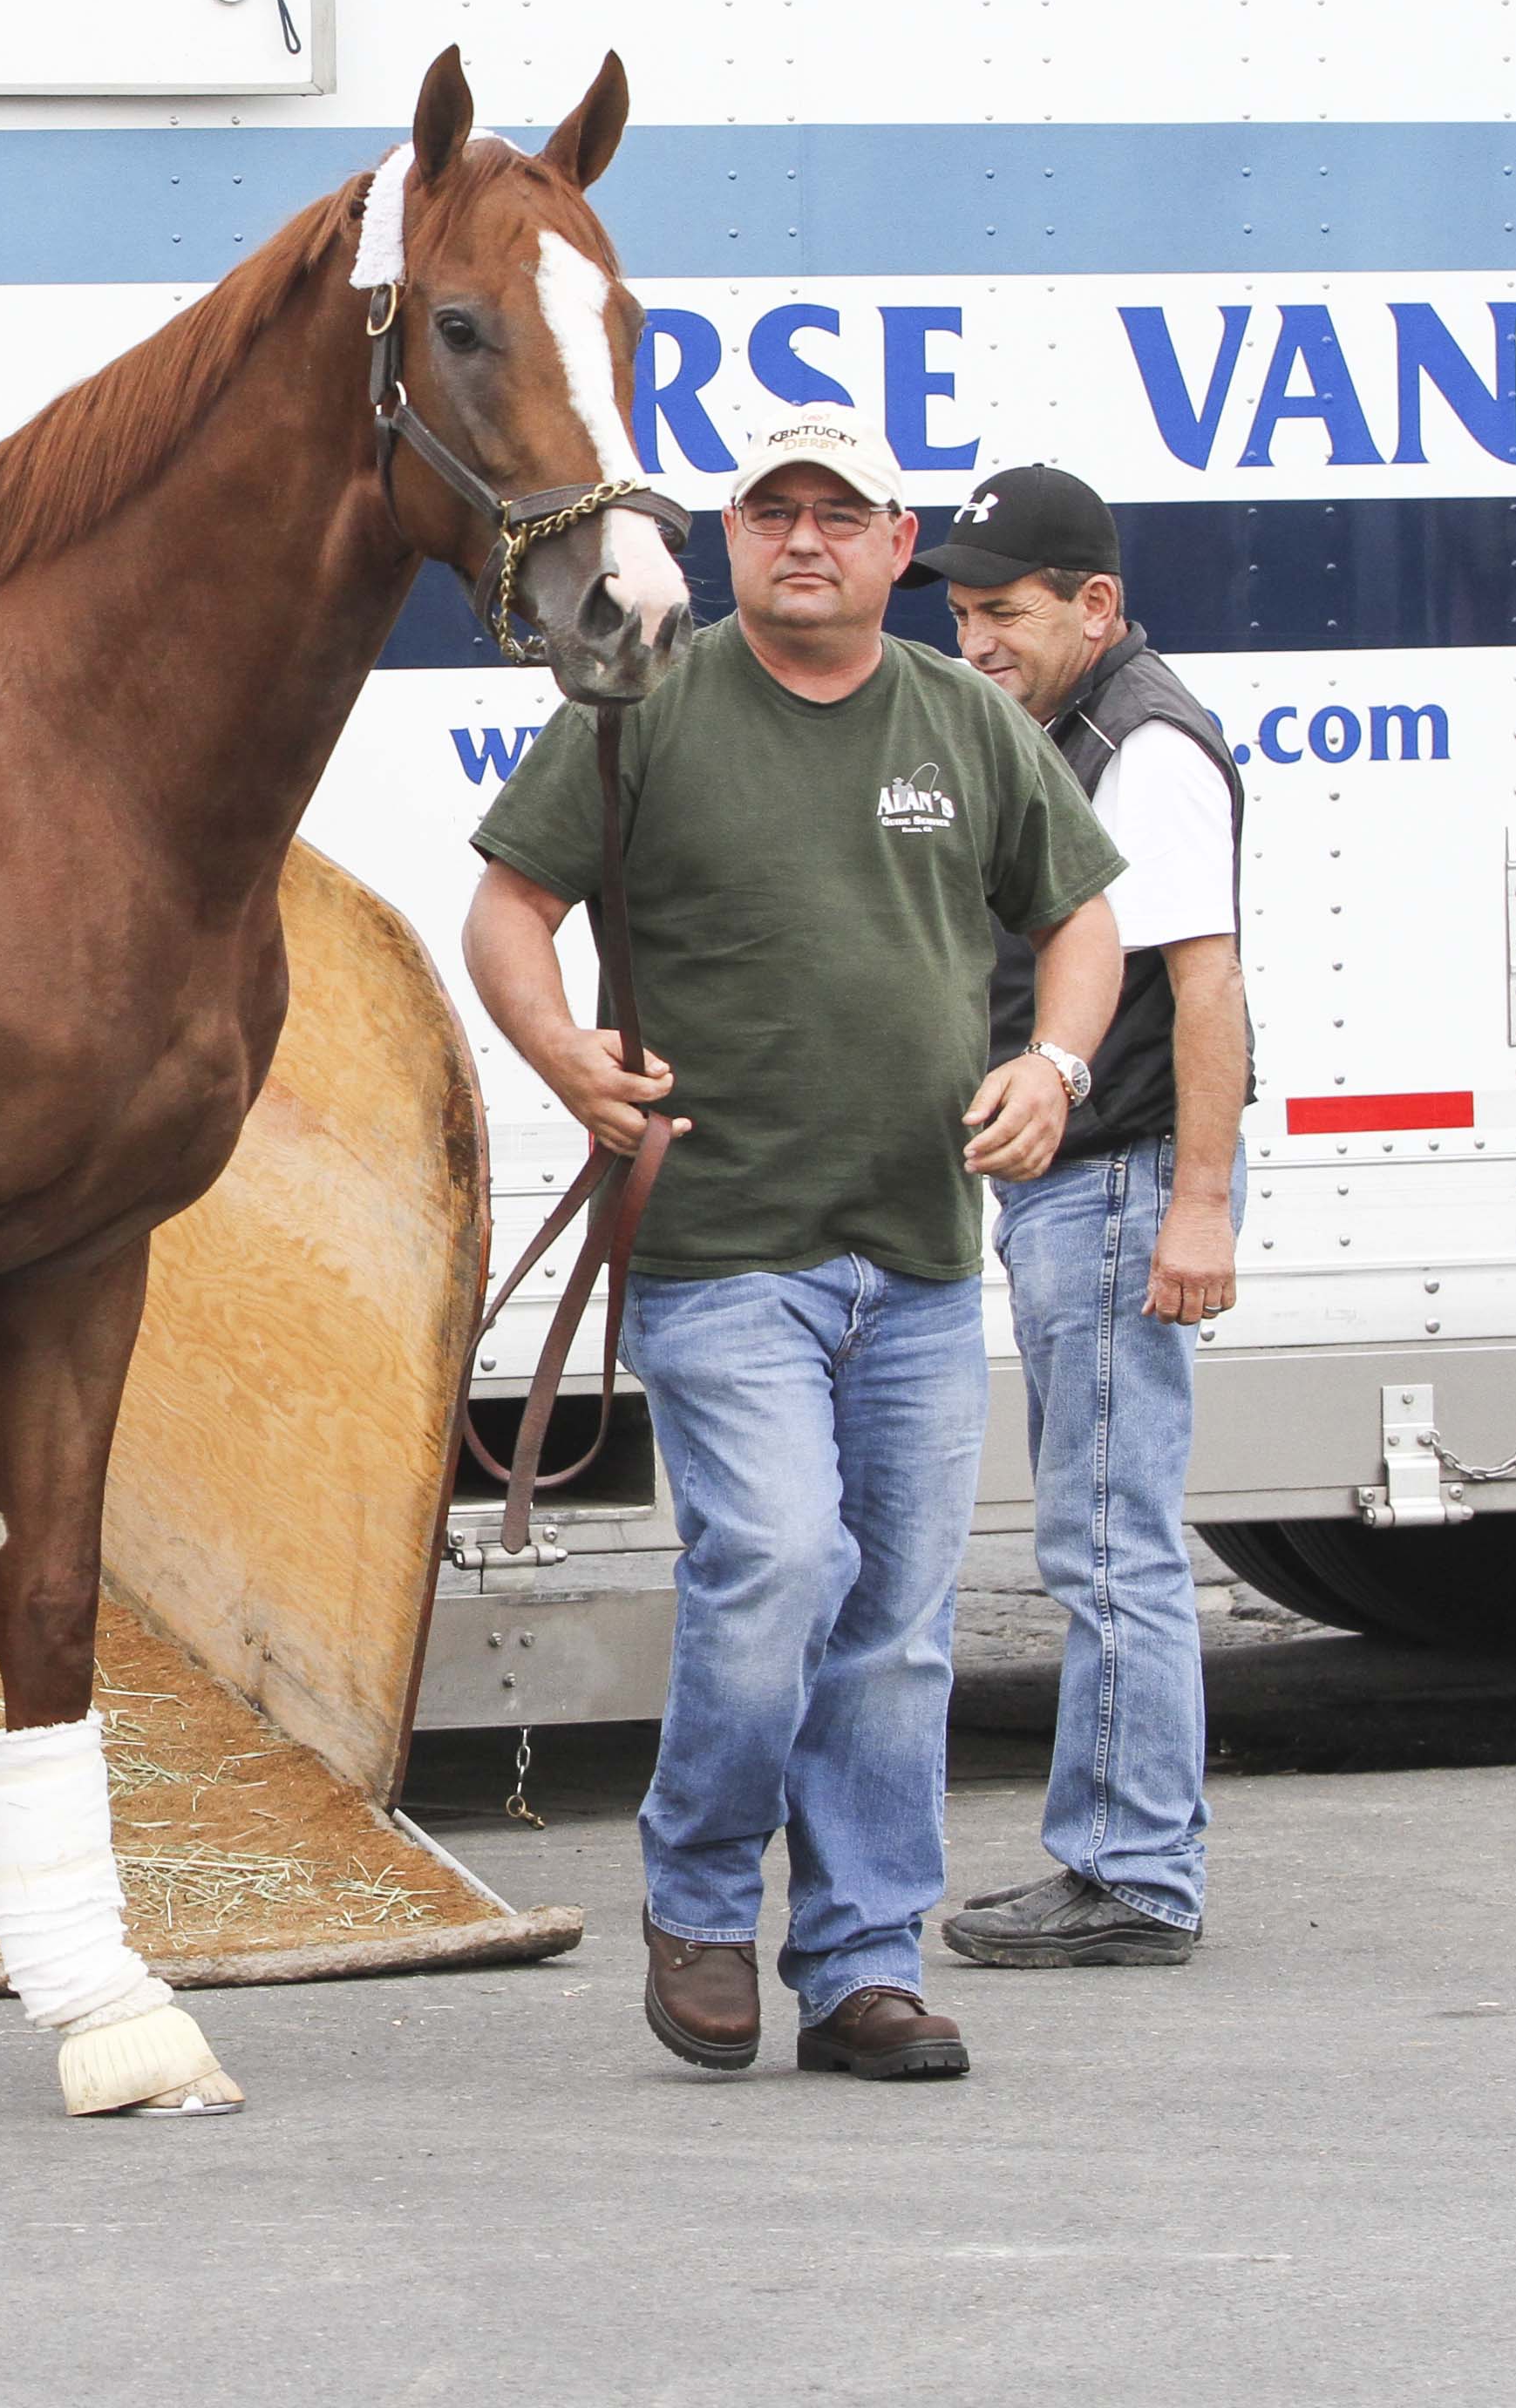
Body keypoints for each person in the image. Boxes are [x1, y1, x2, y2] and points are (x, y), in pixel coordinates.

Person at [461, 415, 1126, 2083]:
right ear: (724, 543)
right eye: (773, 513)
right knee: (771, 1567)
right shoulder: (644, 710)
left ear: (899, 545)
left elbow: (1083, 921)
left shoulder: (964, 719)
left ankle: (854, 1966)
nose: (805, 539)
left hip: (911, 1251)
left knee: (896, 1627)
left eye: (839, 514)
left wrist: (1049, 1067)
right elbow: (502, 907)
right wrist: (558, 1053)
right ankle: (695, 1899)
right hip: (716, 1244)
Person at [916, 465, 1252, 1968]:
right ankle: (1127, 1855)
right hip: (1082, 1182)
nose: (974, 639)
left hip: (1116, 1181)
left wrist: (1194, 1204)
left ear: (1092, 605)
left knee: (1106, 1535)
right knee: (1096, 1528)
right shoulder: (1064, 727)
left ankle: (1129, 1874)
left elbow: (1204, 985)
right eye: (961, 611)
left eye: (1002, 610)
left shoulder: (1143, 746)